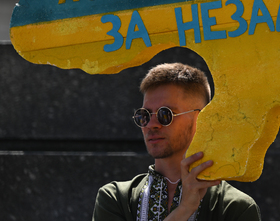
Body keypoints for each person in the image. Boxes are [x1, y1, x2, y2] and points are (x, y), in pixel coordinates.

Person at [92, 63, 261, 221]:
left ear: (201, 120)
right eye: (144, 115)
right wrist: (184, 210)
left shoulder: (235, 208)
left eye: (165, 114)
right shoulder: (115, 198)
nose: (151, 125)